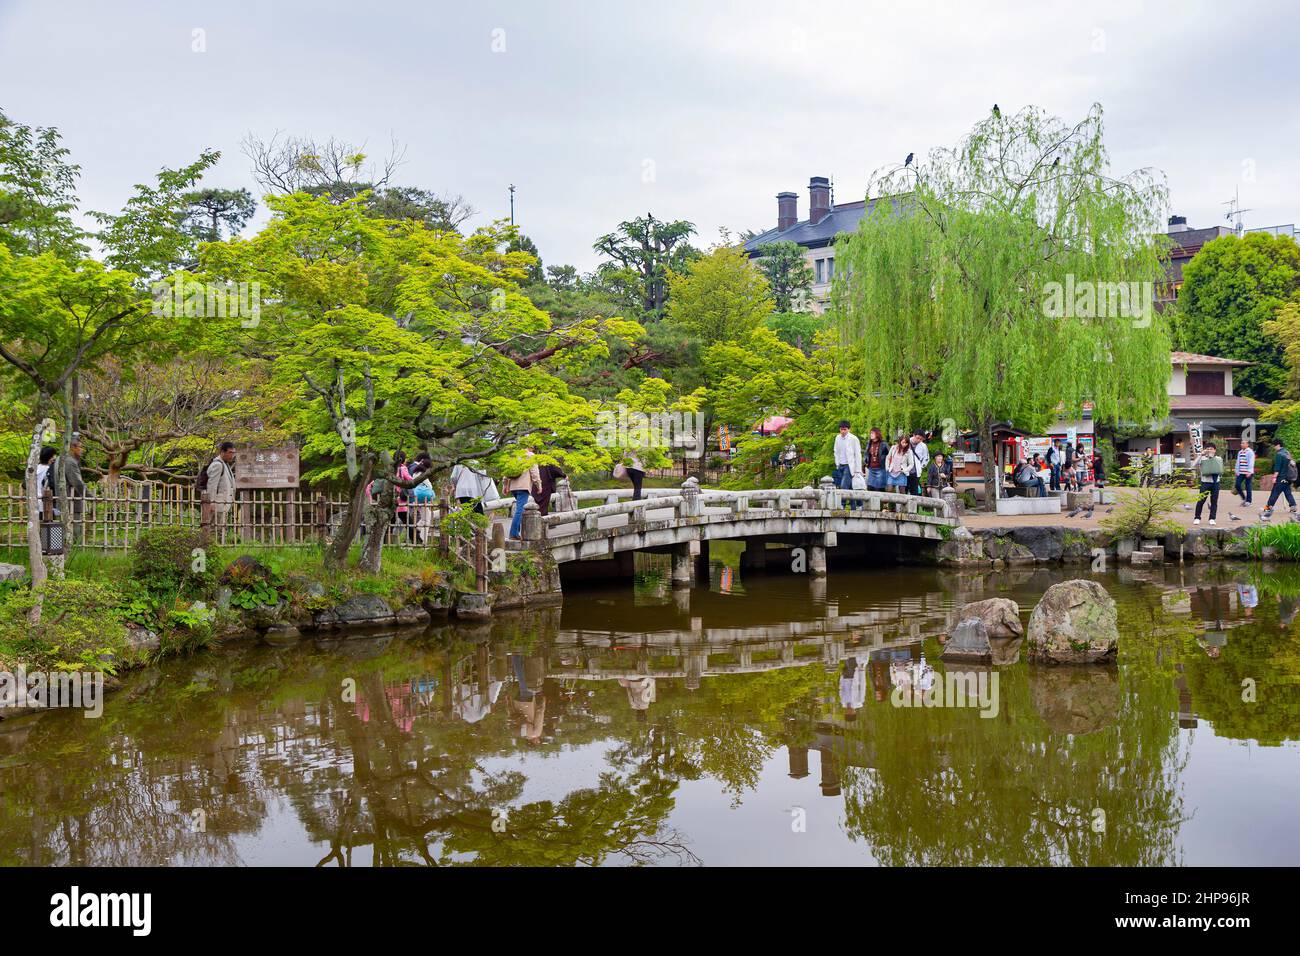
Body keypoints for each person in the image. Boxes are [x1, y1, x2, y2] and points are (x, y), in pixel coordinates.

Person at [506, 448, 542, 540]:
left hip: (513, 487)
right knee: (520, 510)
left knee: (519, 509)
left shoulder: (514, 454)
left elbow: (506, 471)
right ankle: (513, 533)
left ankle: (516, 533)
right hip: (523, 486)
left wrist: (505, 485)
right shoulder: (530, 455)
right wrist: (538, 485)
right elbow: (534, 472)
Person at [205, 442, 237, 541]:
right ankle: (213, 550)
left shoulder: (225, 464)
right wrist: (212, 502)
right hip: (218, 503)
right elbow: (212, 485)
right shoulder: (217, 465)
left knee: (220, 528)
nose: (232, 455)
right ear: (222, 452)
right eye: (230, 452)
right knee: (215, 529)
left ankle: (217, 549)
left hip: (223, 503)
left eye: (233, 453)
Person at [1262, 438, 1297, 522]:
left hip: (1281, 477)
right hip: (1289, 477)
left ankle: (1268, 507)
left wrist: (1274, 477)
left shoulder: (1279, 454)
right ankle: (1293, 506)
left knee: (1275, 492)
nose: (1274, 447)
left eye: (1274, 445)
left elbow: (1277, 468)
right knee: (1287, 492)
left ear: (1278, 445)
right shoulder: (1287, 452)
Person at [1192, 442, 1224, 525]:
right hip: (1205, 482)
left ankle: (1212, 518)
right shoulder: (1203, 459)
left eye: (1211, 449)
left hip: (1215, 483)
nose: (1209, 450)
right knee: (1201, 501)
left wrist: (1211, 457)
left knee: (1214, 501)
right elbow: (1193, 465)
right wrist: (1200, 455)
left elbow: (1220, 470)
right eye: (1208, 448)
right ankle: (1197, 517)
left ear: (1215, 450)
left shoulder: (1218, 459)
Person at [64, 434, 87, 542]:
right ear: (73, 447)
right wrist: (90, 496)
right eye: (80, 447)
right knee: (74, 526)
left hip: (70, 499)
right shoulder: (70, 462)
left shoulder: (67, 460)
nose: (82, 450)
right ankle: (74, 547)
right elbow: (77, 483)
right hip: (71, 499)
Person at [833, 420, 863, 496]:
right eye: (841, 429)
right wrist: (837, 464)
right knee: (849, 486)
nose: (843, 431)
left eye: (845, 429)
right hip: (840, 465)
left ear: (849, 429)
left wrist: (858, 470)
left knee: (843, 486)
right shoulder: (837, 438)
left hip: (849, 466)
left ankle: (842, 505)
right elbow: (836, 451)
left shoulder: (853, 439)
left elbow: (858, 455)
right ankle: (855, 506)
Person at [864, 427, 888, 492]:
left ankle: (883, 502)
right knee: (870, 488)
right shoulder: (869, 443)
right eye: (870, 433)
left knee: (879, 489)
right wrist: (865, 461)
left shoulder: (883, 443)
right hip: (871, 468)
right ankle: (872, 502)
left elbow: (889, 455)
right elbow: (866, 453)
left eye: (872, 433)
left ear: (877, 434)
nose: (870, 435)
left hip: (880, 468)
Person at [906, 432, 930, 496]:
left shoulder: (923, 446)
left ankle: (914, 505)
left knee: (914, 490)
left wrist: (921, 466)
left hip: (915, 471)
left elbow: (926, 458)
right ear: (914, 435)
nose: (919, 440)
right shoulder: (906, 442)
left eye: (921, 439)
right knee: (904, 489)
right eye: (918, 438)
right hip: (905, 470)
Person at [1235, 439, 1256, 504]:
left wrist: (1249, 471)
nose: (1241, 444)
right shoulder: (1240, 452)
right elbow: (1238, 462)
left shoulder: (1250, 452)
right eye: (1241, 443)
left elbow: (1251, 462)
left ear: (1247, 444)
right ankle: (1244, 498)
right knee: (1237, 485)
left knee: (1248, 486)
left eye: (1243, 443)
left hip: (1248, 472)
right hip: (1241, 472)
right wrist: (1236, 470)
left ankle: (1249, 501)